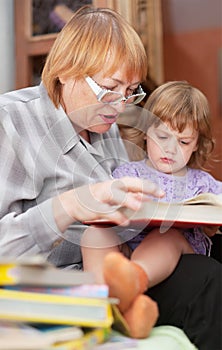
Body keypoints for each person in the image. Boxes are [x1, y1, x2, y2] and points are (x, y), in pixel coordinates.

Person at [0, 5, 220, 348]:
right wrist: (69, 206)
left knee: (210, 262)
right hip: (57, 286)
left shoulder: (107, 130)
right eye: (109, 88)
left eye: (131, 91)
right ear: (66, 71)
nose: (120, 106)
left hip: (124, 271)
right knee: (207, 280)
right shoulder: (11, 123)